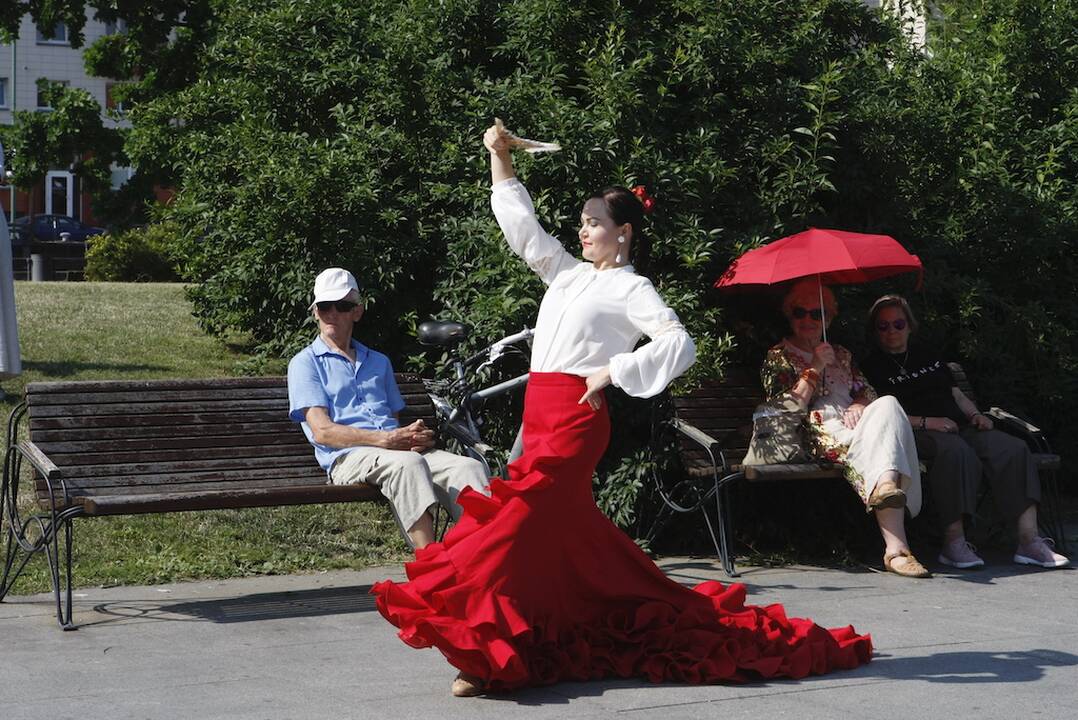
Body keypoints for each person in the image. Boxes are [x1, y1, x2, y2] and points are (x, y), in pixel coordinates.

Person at [371, 122, 872, 698]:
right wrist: (499, 157)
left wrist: (616, 370)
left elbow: (677, 344)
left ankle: (484, 655)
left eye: (594, 224)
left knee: (508, 527)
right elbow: (521, 228)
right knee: (565, 544)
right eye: (581, 223)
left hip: (575, 423)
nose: (583, 231)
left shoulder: (632, 289)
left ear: (623, 233)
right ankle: (544, 637)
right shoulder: (566, 274)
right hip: (539, 418)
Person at [860, 294, 1069, 569]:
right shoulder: (871, 366)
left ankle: (1029, 540)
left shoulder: (928, 354)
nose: (891, 331)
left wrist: (975, 414)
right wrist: (928, 422)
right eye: (883, 326)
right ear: (875, 332)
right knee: (956, 452)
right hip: (915, 434)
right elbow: (880, 415)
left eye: (898, 324)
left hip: (960, 426)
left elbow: (956, 394)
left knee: (1013, 449)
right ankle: (954, 542)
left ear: (909, 325)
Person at [287, 267, 489, 550]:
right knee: (408, 463)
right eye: (324, 306)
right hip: (347, 457)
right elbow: (322, 432)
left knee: (468, 468)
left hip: (393, 453)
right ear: (315, 312)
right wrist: (386, 440)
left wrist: (413, 438)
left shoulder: (378, 362)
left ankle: (481, 560)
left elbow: (392, 424)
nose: (332, 313)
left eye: (342, 306)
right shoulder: (305, 363)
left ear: (357, 312)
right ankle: (431, 566)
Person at [760, 279, 929, 578]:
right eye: (800, 312)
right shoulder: (778, 356)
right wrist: (814, 367)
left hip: (856, 424)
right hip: (816, 432)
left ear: (829, 318)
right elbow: (786, 408)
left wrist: (860, 404)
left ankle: (887, 488)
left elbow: (867, 391)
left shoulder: (842, 354)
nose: (809, 320)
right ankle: (897, 549)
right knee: (885, 443)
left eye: (817, 314)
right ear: (789, 315)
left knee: (889, 403)